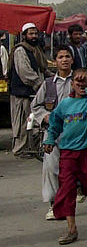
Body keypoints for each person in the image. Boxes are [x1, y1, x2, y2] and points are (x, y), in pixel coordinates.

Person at [42, 68, 87, 245]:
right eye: (78, 82)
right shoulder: (65, 104)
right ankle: (72, 229)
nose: (81, 85)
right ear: (72, 84)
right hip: (69, 153)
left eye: (84, 82)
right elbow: (54, 124)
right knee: (67, 188)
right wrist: (49, 139)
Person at [31, 45, 75, 220]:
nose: (64, 60)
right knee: (50, 168)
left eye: (67, 56)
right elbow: (35, 106)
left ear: (72, 59)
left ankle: (71, 201)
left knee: (73, 171)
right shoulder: (48, 84)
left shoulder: (79, 81)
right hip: (53, 134)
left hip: (76, 134)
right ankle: (54, 205)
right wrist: (45, 117)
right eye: (60, 57)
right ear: (55, 61)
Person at [9, 23, 49, 158]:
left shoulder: (35, 50)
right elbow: (25, 73)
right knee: (22, 122)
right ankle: (20, 150)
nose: (34, 36)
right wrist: (40, 84)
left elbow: (42, 69)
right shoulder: (21, 50)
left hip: (34, 93)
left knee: (33, 122)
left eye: (35, 34)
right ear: (24, 35)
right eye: (31, 34)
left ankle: (32, 148)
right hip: (23, 93)